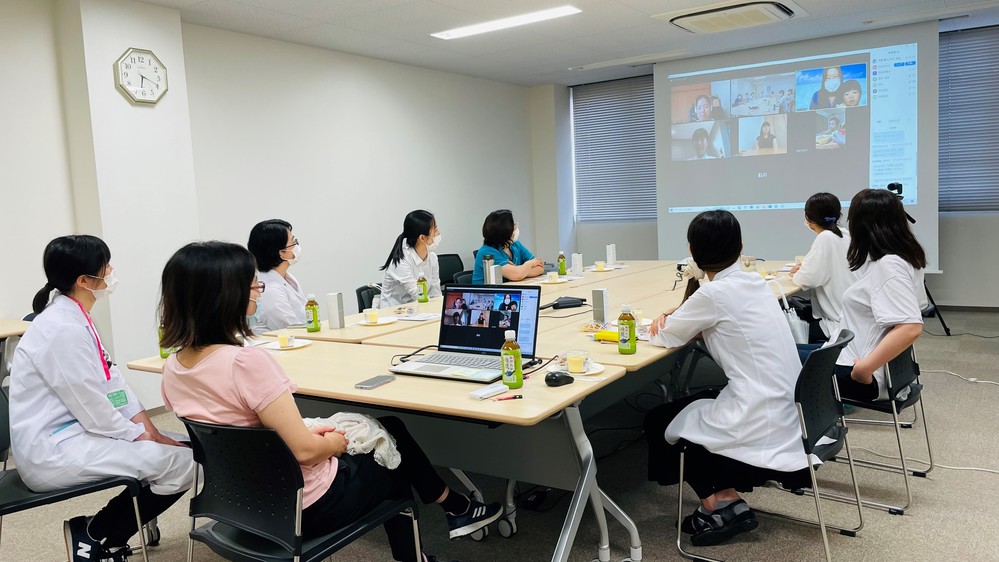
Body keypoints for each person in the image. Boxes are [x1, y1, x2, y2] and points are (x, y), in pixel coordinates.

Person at [158, 241, 503, 562]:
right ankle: (433, 535)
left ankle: (455, 509)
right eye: (251, 285)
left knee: (390, 429)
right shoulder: (245, 362)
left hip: (239, 503)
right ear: (224, 296)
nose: (257, 290)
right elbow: (306, 452)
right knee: (392, 455)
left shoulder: (173, 367)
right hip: (303, 506)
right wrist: (335, 443)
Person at [9, 235, 195, 562]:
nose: (111, 272)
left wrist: (149, 430)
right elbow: (92, 406)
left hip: (74, 432)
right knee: (185, 463)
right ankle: (95, 535)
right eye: (105, 267)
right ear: (84, 280)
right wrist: (142, 437)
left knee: (184, 447)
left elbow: (113, 383)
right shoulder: (61, 329)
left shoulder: (75, 317)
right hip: (53, 449)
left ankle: (99, 531)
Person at [643, 211, 809, 547]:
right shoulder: (754, 283)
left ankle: (717, 505)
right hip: (792, 409)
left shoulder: (712, 295)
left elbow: (666, 337)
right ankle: (728, 497)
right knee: (694, 406)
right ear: (741, 246)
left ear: (692, 251)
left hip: (758, 413)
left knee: (660, 420)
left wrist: (664, 318)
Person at [835, 189, 926, 402]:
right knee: (793, 353)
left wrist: (863, 370)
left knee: (785, 365)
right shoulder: (904, 258)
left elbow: (911, 327)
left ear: (862, 225)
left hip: (861, 372)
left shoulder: (889, 265)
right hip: (863, 361)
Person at [790, 193, 858, 344]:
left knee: (785, 330)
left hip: (837, 324)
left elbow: (807, 280)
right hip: (851, 317)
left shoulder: (825, 237)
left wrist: (798, 273)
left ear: (809, 219)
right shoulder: (846, 235)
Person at [247, 219, 306, 331]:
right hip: (278, 344)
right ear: (281, 252)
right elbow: (291, 329)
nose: (297, 246)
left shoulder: (286, 278)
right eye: (293, 242)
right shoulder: (269, 289)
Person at [380, 210, 442, 307]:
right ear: (422, 238)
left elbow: (436, 293)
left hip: (418, 311)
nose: (438, 233)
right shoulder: (402, 261)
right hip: (395, 314)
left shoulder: (432, 258)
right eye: (435, 229)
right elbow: (418, 295)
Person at [472, 210, 544, 284]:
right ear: (505, 231)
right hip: (487, 294)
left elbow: (540, 268)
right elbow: (517, 275)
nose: (516, 226)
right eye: (513, 224)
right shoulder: (487, 252)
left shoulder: (516, 245)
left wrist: (520, 271)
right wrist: (529, 264)